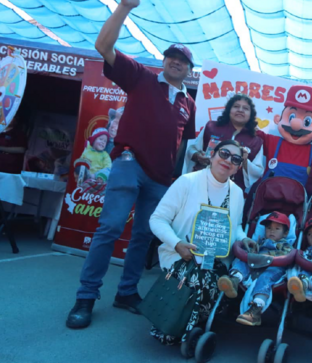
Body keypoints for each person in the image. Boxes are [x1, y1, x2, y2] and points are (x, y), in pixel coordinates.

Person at [66, 0, 197, 330]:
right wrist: (124, 7)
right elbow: (103, 45)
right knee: (110, 227)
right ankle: (85, 297)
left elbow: (182, 144)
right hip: (128, 163)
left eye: (183, 61)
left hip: (160, 179)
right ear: (164, 61)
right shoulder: (140, 77)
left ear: (189, 69)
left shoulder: (189, 103)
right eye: (172, 57)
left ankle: (126, 293)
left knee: (143, 235)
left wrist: (176, 180)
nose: (176, 63)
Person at [148, 139, 247, 344]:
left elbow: (235, 226)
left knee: (214, 281)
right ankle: (182, 330)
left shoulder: (237, 193)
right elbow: (157, 220)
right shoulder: (187, 182)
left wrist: (244, 239)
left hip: (216, 260)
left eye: (235, 159)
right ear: (212, 155)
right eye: (224, 153)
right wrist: (176, 244)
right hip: (181, 255)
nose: (228, 160)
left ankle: (189, 328)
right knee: (198, 280)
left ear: (238, 168)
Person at [217, 211, 293, 326]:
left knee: (265, 278)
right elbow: (251, 252)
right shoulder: (260, 242)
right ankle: (234, 280)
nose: (271, 231)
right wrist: (252, 252)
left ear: (285, 233)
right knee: (243, 262)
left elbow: (287, 256)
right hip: (255, 264)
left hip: (273, 267)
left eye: (277, 228)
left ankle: (255, 310)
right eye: (268, 228)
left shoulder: (285, 245)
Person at [186, 94, 263, 193]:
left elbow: (258, 172)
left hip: (232, 192)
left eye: (245, 108)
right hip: (201, 184)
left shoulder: (256, 141)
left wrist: (244, 161)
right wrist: (198, 157)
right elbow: (191, 149)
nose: (240, 110)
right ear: (229, 110)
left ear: (251, 114)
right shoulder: (211, 127)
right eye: (236, 106)